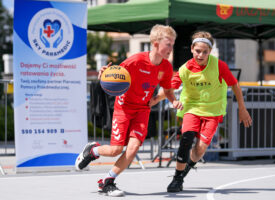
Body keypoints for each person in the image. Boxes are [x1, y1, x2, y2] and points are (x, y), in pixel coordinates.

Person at [75, 24, 183, 197]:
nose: (171, 48)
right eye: (168, 44)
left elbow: (168, 90)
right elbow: (114, 75)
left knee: (132, 149)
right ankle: (93, 150)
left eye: (173, 44)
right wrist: (104, 73)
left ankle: (107, 181)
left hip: (143, 110)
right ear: (155, 43)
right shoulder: (135, 61)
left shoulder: (166, 68)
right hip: (124, 108)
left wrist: (174, 101)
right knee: (115, 150)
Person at [149, 31, 252, 193]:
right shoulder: (185, 69)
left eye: (205, 51)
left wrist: (242, 108)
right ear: (192, 49)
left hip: (213, 111)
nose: (201, 55)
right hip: (191, 108)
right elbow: (169, 89)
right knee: (186, 138)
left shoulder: (219, 65)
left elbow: (235, 85)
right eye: (198, 51)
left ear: (210, 51)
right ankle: (177, 178)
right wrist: (153, 100)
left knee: (200, 150)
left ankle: (183, 174)